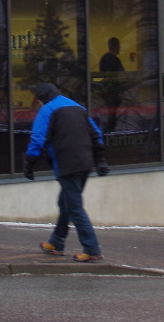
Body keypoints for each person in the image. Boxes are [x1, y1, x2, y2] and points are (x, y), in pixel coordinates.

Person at [24, 81, 108, 261]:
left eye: (38, 101)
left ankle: (92, 248)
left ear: (42, 99)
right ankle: (56, 242)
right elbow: (96, 133)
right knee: (66, 203)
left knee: (75, 208)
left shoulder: (47, 110)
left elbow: (37, 139)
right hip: (85, 163)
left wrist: (29, 165)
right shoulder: (76, 106)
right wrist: (100, 160)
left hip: (67, 165)